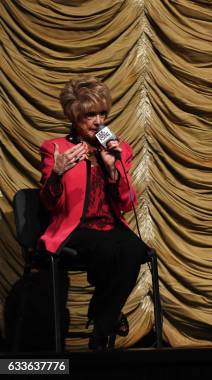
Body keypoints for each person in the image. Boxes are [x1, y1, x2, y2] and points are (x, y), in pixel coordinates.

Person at [38, 76, 147, 350]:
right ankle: (106, 323)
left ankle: (102, 321)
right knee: (108, 250)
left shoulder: (118, 148)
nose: (99, 121)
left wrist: (112, 169)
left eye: (102, 114)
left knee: (135, 248)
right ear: (75, 116)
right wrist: (57, 173)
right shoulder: (56, 149)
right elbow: (51, 205)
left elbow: (127, 202)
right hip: (75, 228)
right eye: (90, 115)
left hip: (110, 224)